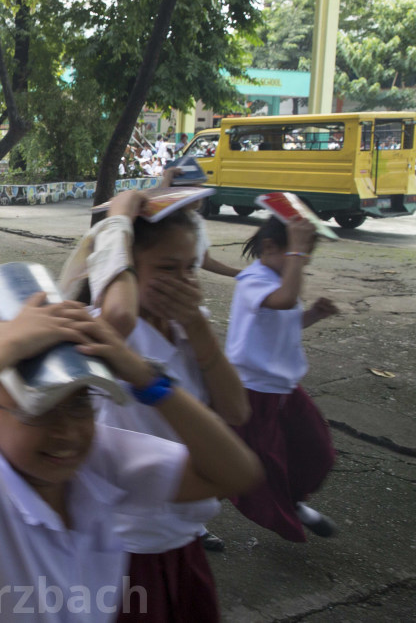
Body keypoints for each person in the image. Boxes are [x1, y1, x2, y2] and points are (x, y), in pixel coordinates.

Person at [0, 287, 261, 622]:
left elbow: (235, 473)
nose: (67, 433)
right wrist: (6, 347)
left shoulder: (100, 463)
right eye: (37, 408)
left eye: (80, 403)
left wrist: (146, 377)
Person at [91, 190, 250, 618]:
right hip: (125, 543)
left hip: (182, 534)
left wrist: (198, 327)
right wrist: (119, 222)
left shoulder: (189, 329)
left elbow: (236, 411)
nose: (181, 281)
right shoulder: (103, 331)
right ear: (129, 269)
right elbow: (118, 315)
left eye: (189, 268)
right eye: (165, 269)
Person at [226, 217, 339, 542]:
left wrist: (314, 315)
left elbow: (286, 319)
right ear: (271, 247)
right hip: (255, 390)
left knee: (315, 449)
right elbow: (284, 300)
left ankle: (296, 500)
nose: (303, 262)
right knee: (256, 464)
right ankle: (194, 516)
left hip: (285, 388)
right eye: (299, 253)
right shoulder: (253, 280)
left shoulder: (281, 278)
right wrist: (297, 256)